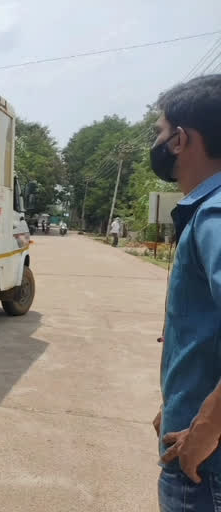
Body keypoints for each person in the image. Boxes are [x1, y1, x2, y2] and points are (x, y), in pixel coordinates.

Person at [149, 75, 221, 511]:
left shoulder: (214, 215)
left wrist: (205, 427)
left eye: (159, 131)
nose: (156, 141)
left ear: (180, 139)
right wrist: (178, 403)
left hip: (204, 473)